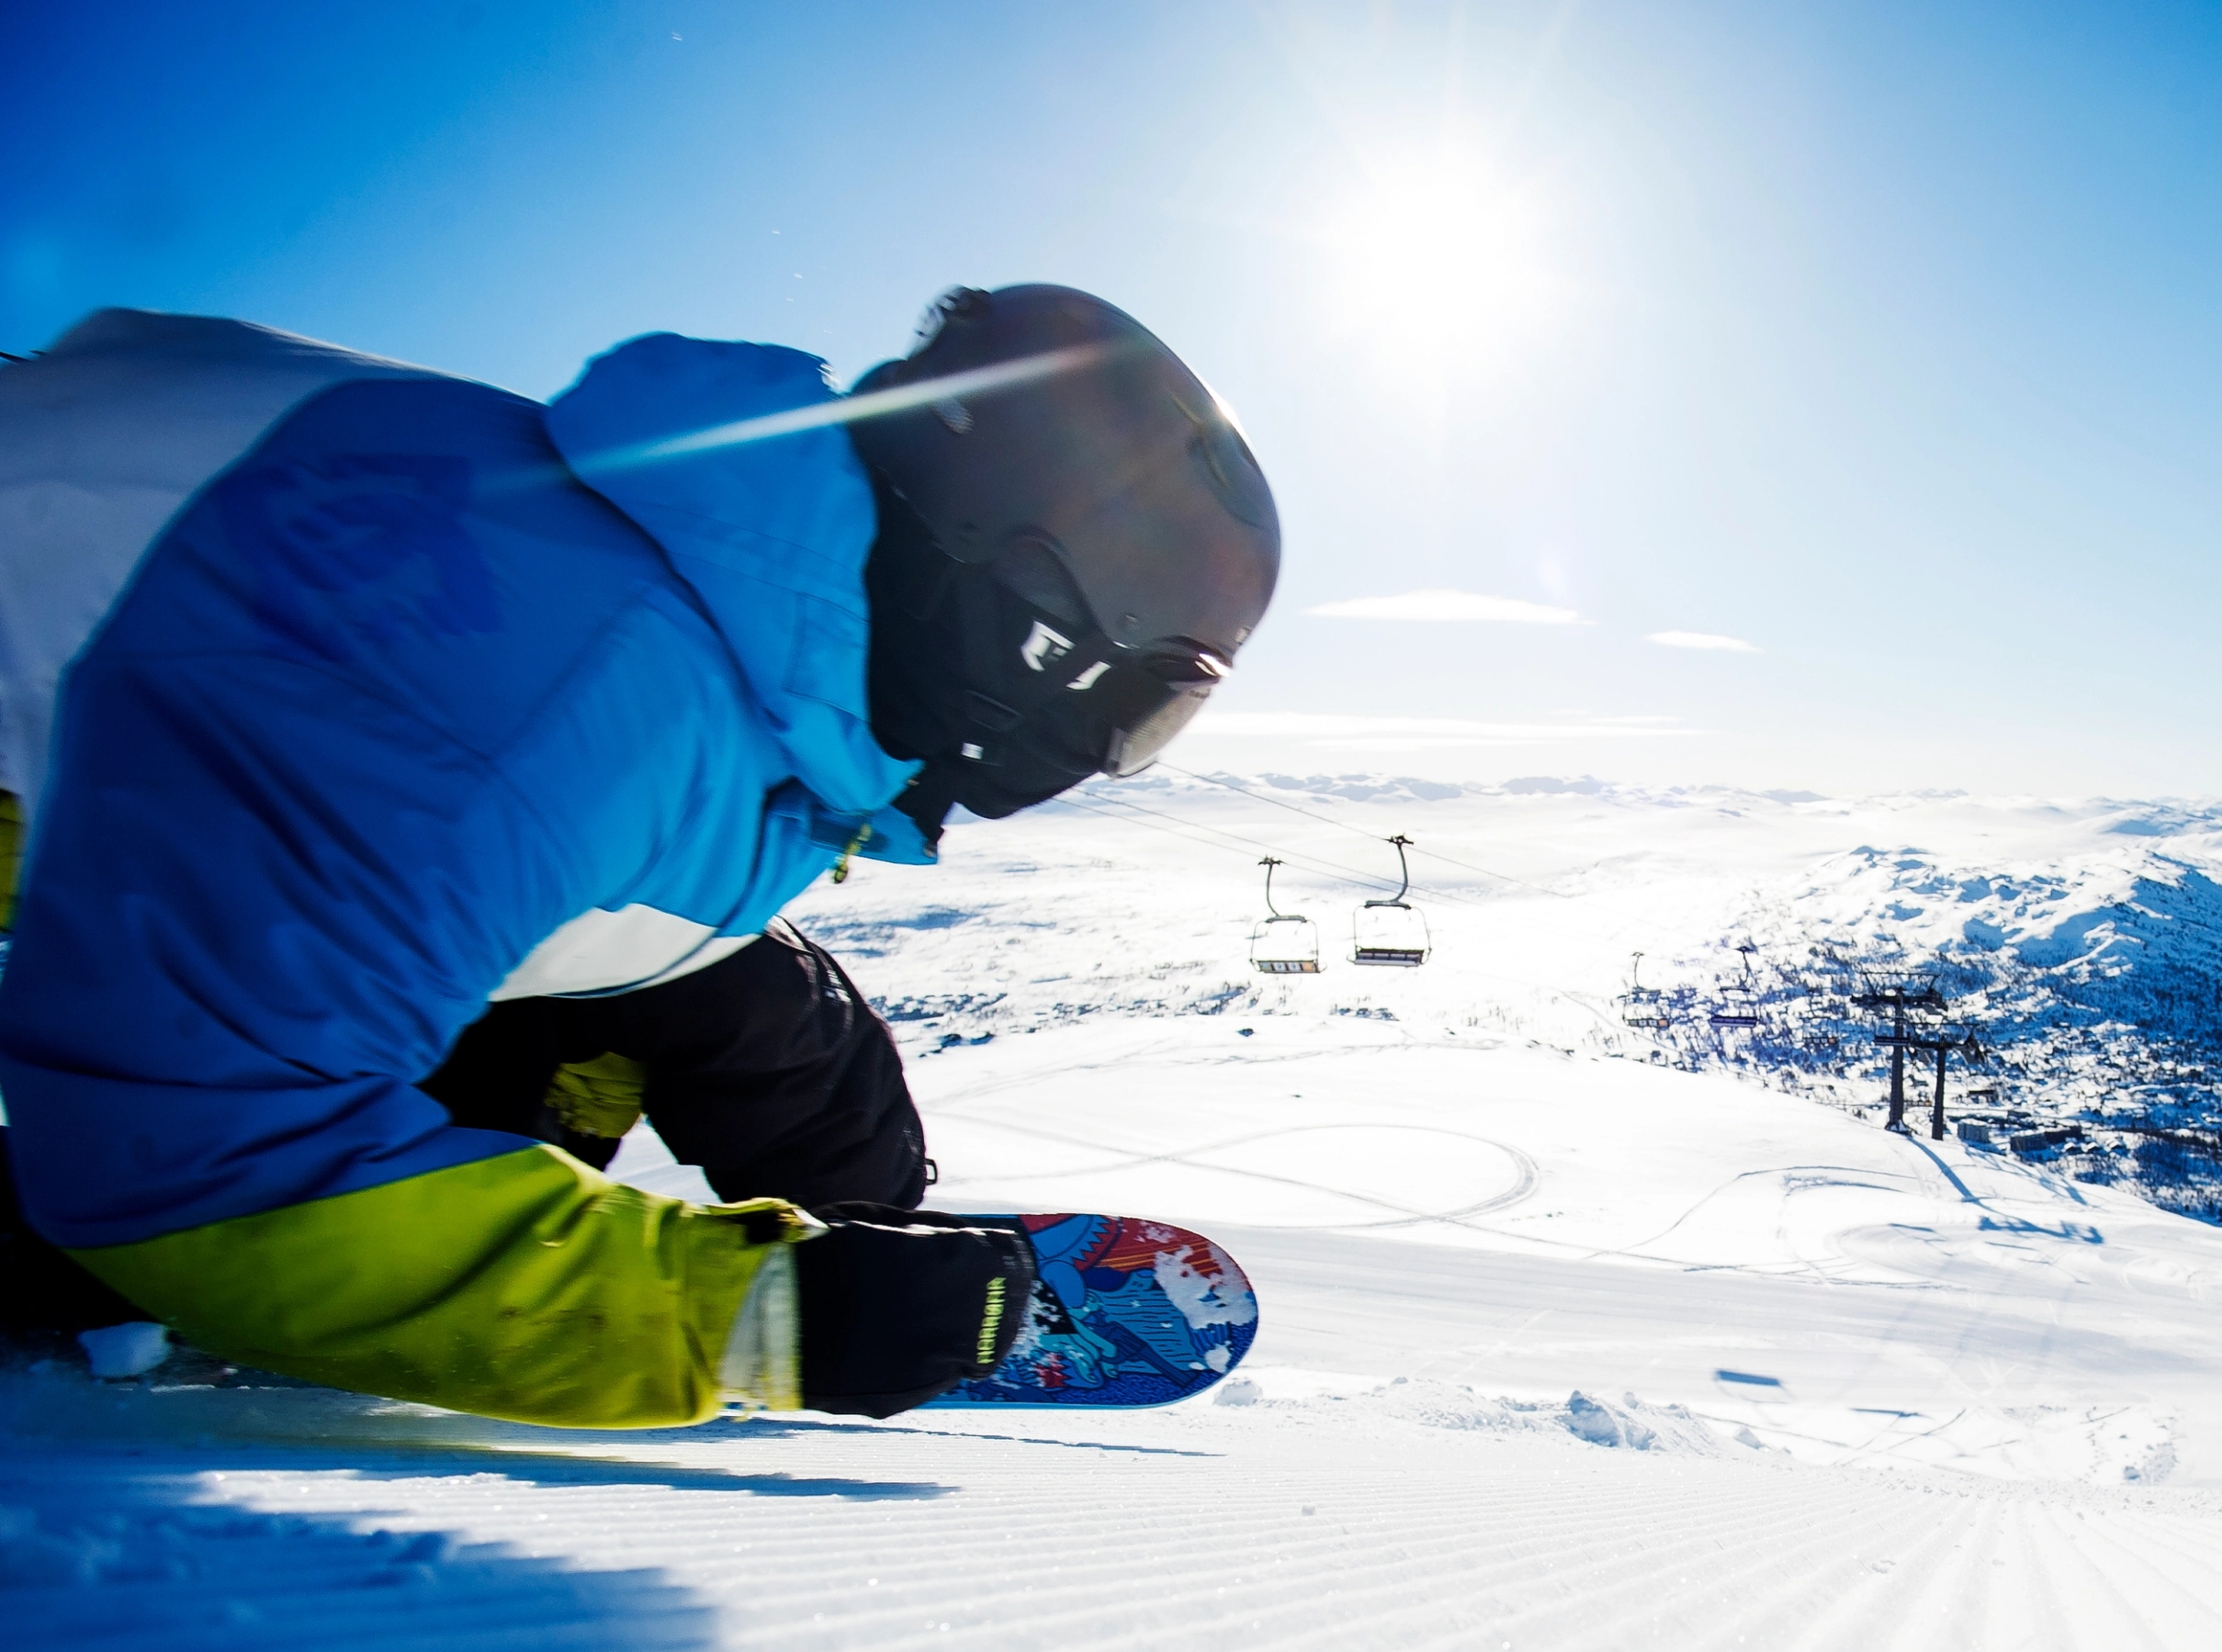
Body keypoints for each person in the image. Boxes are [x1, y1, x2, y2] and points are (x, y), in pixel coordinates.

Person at [0, 284, 1278, 1425]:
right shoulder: (526, 707)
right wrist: (752, 1319)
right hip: (74, 872)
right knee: (132, 1214)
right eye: (1140, 712)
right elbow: (191, 1145)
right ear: (1036, 628)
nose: (1112, 751)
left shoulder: (748, 615)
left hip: (177, 821)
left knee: (751, 1002)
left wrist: (858, 1251)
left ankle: (872, 1255)